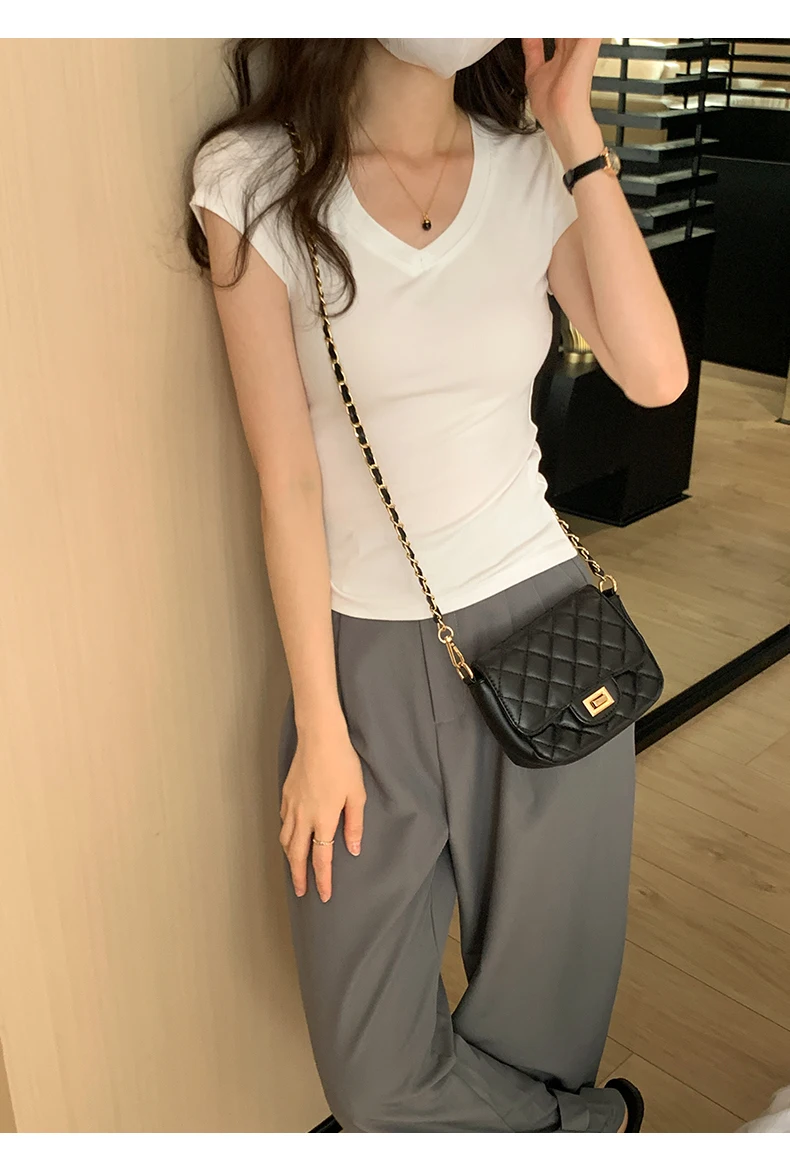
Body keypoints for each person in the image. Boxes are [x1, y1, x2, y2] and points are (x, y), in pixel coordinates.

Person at [186, 37, 687, 1133]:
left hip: (548, 629)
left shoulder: (529, 165)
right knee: (374, 1072)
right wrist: (320, 725)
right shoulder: (253, 179)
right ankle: (585, 1130)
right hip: (362, 659)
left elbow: (656, 375)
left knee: (544, 1030)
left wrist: (574, 128)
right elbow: (288, 483)